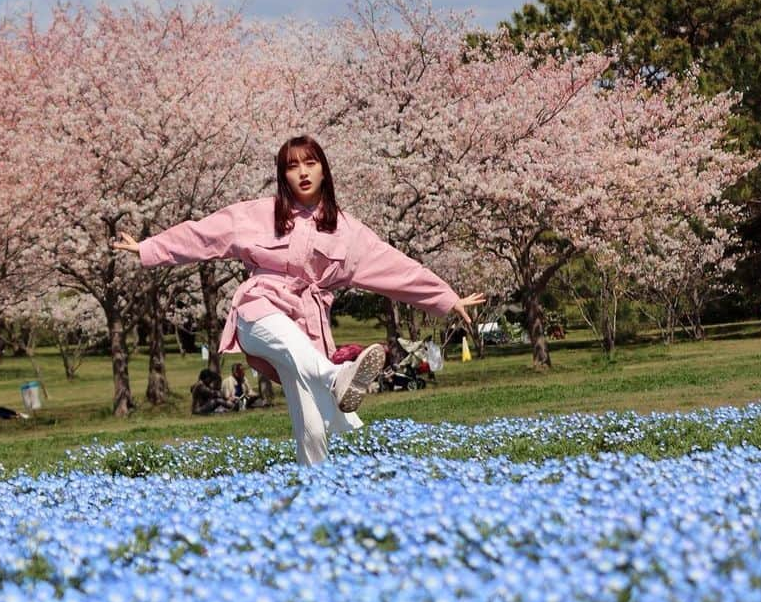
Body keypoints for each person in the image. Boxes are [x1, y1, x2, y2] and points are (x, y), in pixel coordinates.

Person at [114, 135, 484, 465]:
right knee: (303, 359)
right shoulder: (258, 214)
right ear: (282, 176)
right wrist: (149, 248)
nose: (303, 173)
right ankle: (338, 376)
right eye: (293, 167)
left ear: (324, 170)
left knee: (311, 414)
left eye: (311, 163)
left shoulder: (347, 231)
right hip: (259, 309)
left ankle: (316, 487)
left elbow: (395, 268)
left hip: (307, 323)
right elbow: (204, 235)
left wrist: (446, 299)